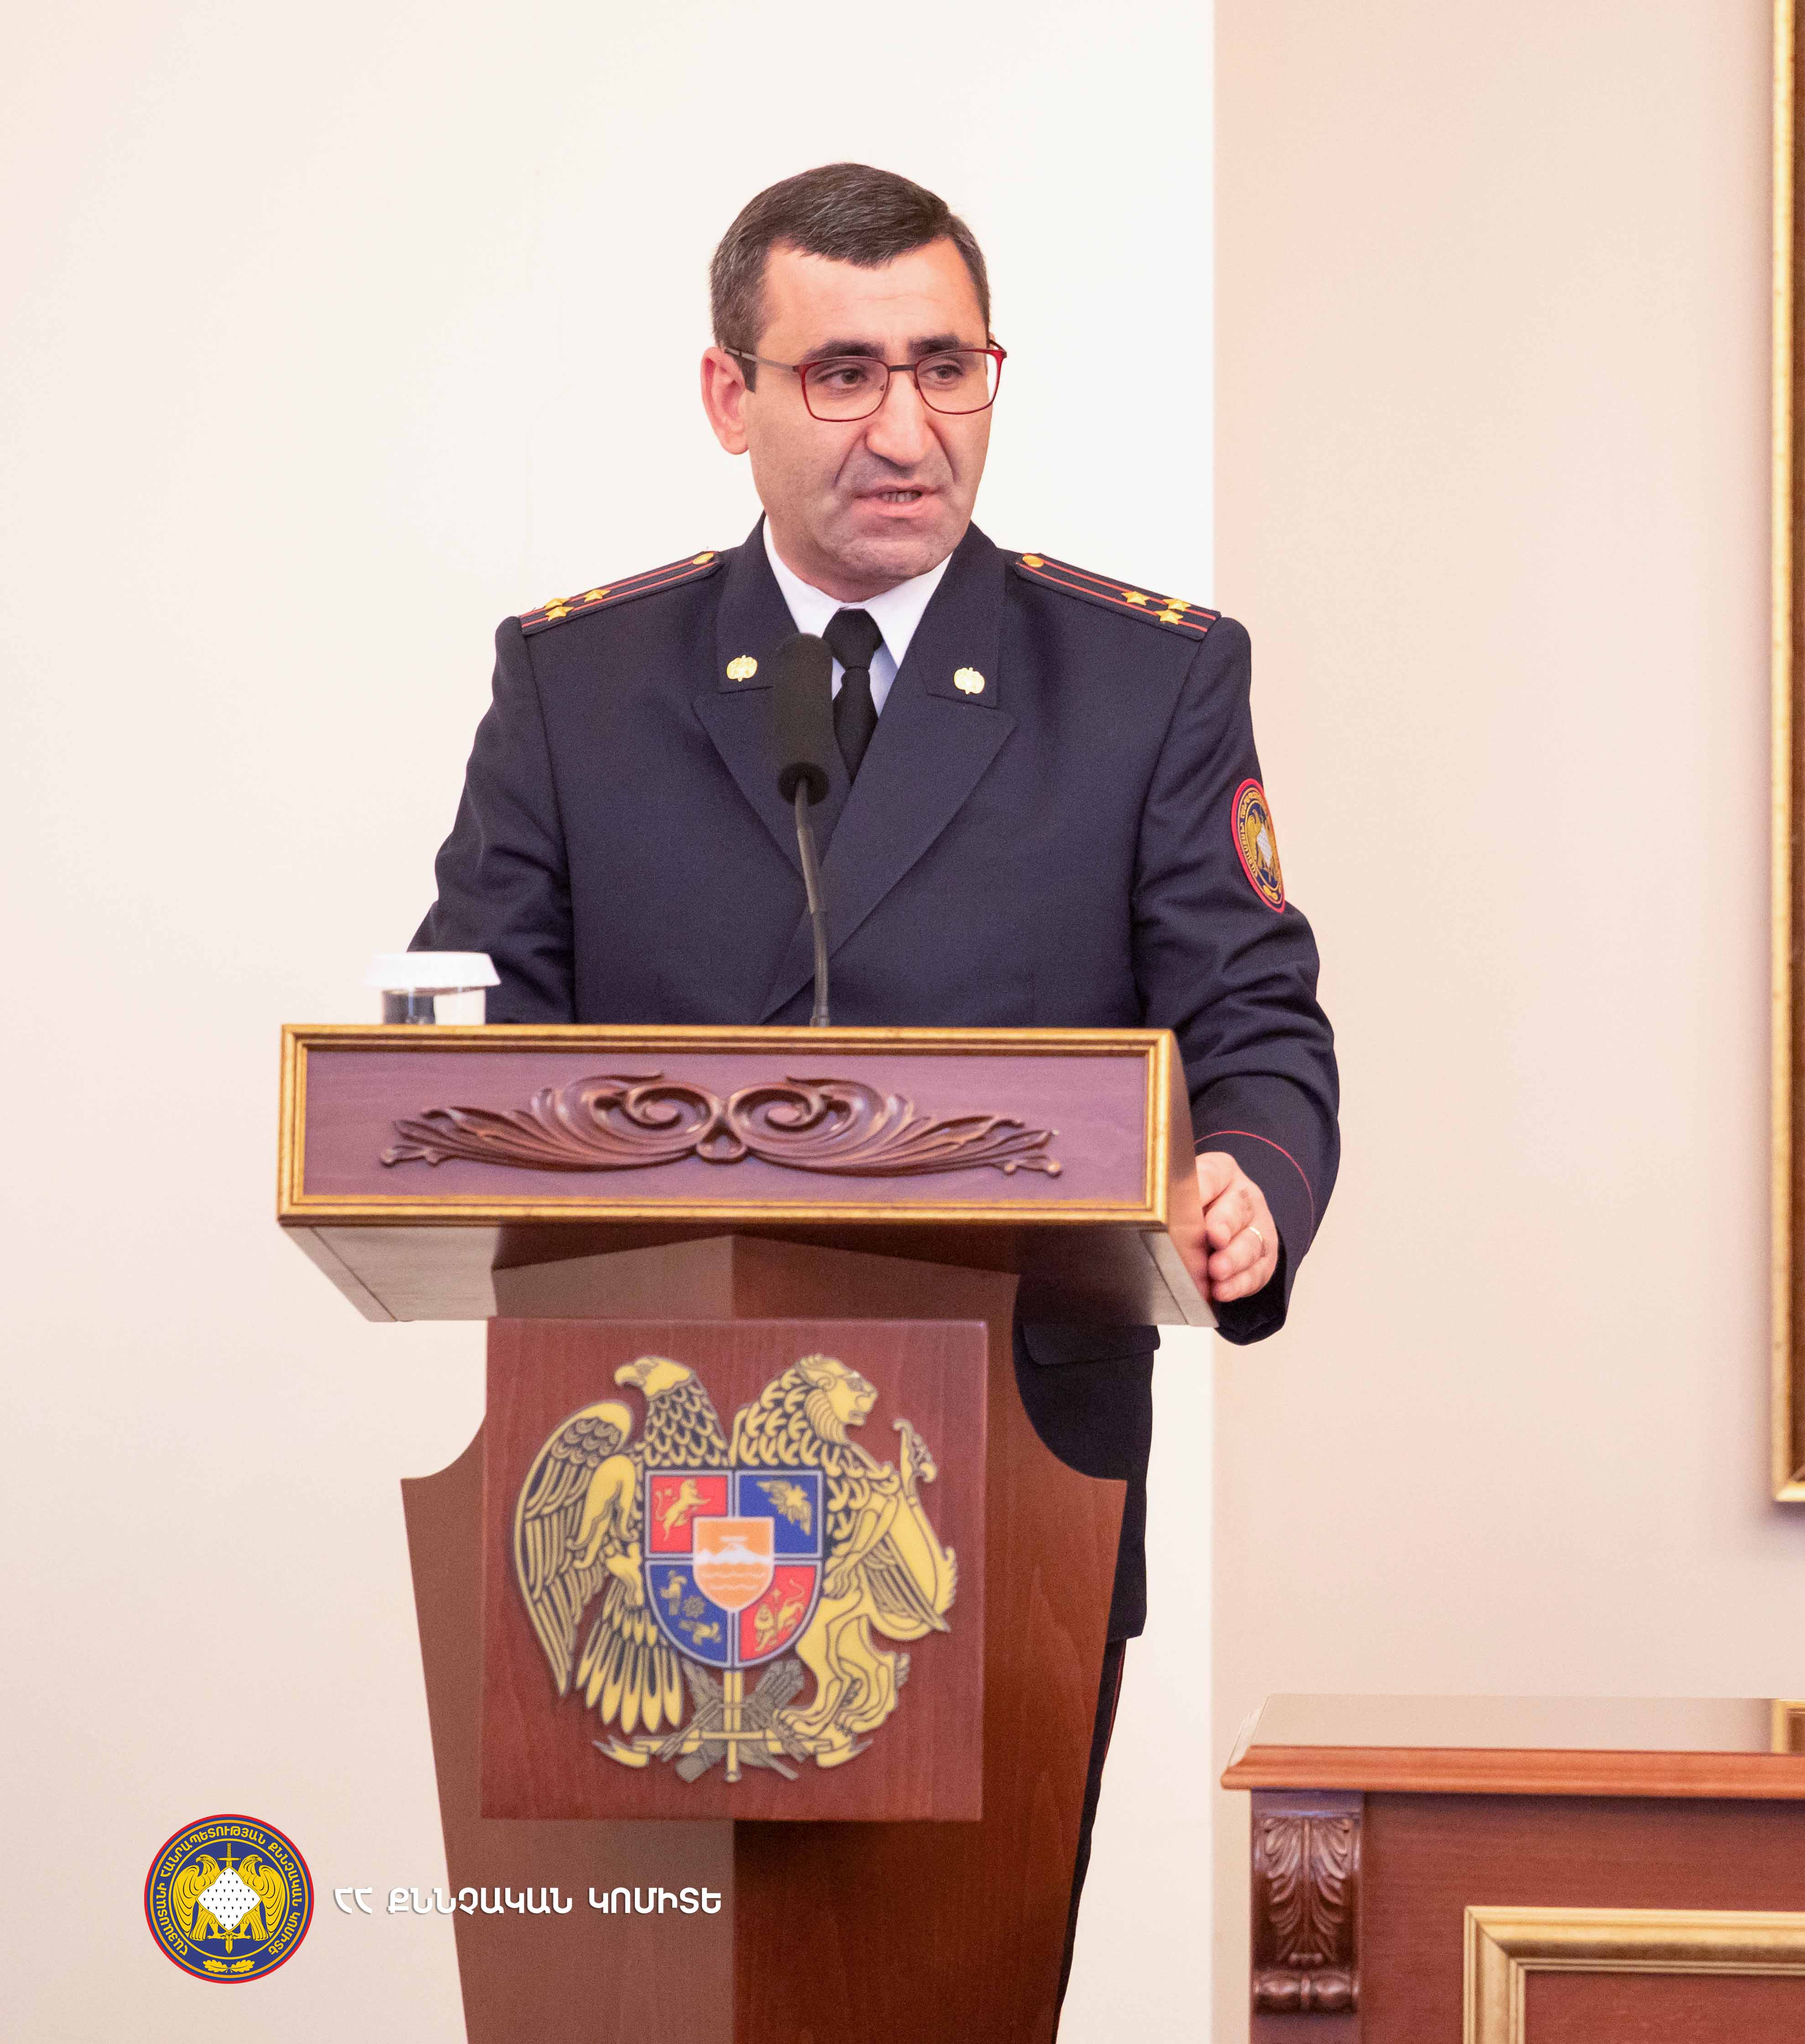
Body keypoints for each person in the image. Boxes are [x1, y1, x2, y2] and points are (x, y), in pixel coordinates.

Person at [412, 163, 1337, 1976]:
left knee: (944, 1989)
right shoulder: (580, 683)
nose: (907, 430)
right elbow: (481, 1027)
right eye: (842, 374)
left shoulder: (1142, 683)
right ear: (729, 396)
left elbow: (1255, 1022)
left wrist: (1249, 1176)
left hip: (1006, 1483)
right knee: (639, 1995)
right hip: (634, 1486)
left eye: (946, 368)